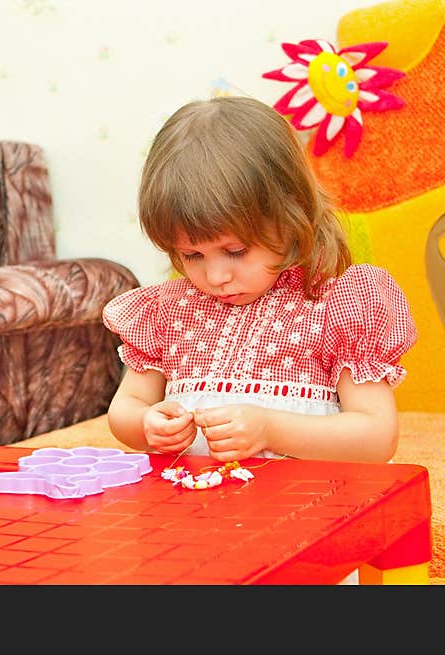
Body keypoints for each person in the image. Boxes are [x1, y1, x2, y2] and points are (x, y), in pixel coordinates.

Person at [103, 96, 417, 464]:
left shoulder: (336, 302)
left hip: (310, 508)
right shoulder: (170, 311)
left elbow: (376, 437)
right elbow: (125, 407)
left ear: (291, 215)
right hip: (196, 513)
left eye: (235, 251)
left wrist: (270, 429)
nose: (216, 276)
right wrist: (146, 422)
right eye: (192, 256)